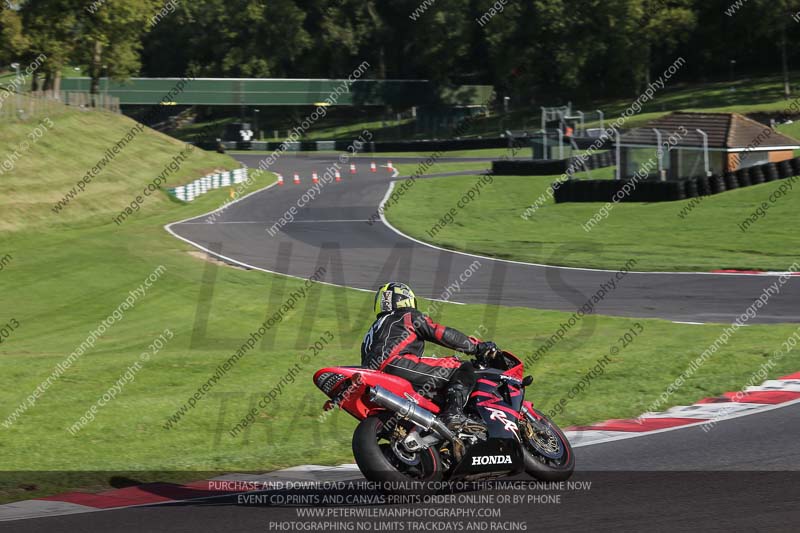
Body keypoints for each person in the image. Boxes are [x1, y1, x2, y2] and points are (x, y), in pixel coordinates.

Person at [361, 282, 497, 429]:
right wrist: (476, 347)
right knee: (462, 367)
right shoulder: (406, 315)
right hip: (397, 364)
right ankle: (453, 413)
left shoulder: (372, 330)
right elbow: (439, 333)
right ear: (405, 299)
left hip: (373, 375)